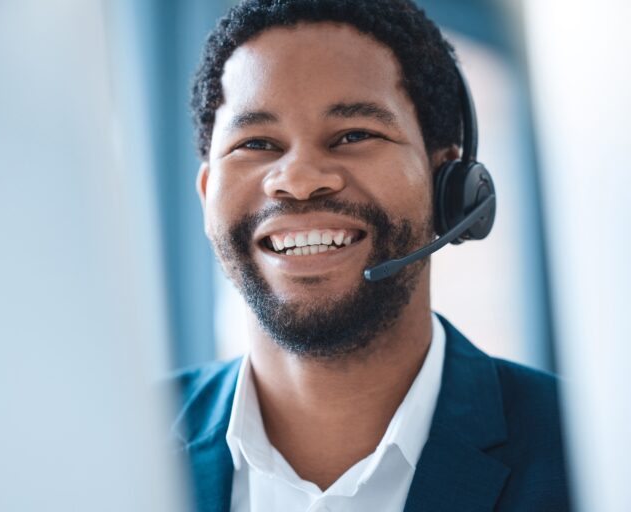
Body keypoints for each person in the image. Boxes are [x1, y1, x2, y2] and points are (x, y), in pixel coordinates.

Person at [168, 1, 570, 510]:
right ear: (207, 196)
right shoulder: (111, 442)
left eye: (354, 135)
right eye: (257, 142)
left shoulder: (593, 450)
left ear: (448, 185)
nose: (298, 180)